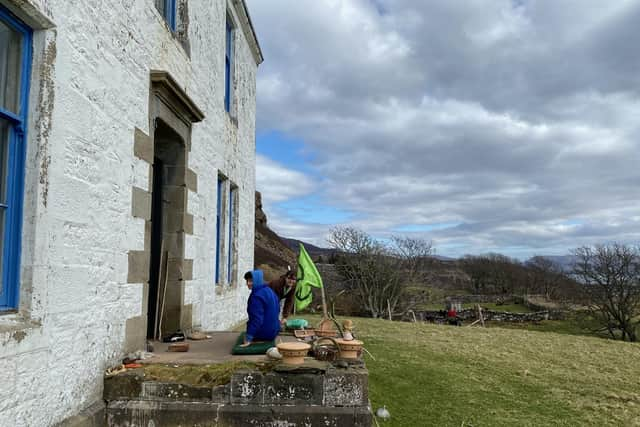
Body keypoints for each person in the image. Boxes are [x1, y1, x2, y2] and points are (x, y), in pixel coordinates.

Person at [241, 269, 280, 347]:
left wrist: (248, 337)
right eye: (247, 281)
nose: (248, 283)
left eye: (251, 281)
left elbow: (257, 319)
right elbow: (278, 309)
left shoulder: (256, 296)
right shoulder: (269, 290)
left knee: (253, 324)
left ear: (257, 280)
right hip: (274, 331)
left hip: (264, 334)